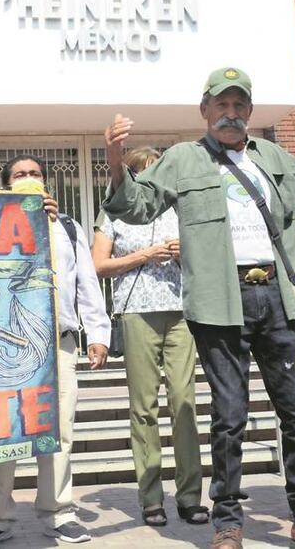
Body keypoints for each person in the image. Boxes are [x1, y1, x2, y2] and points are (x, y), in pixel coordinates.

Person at [101, 66, 295, 549]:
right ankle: (228, 525)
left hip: (274, 296)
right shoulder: (182, 159)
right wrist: (115, 162)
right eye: (222, 105)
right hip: (219, 302)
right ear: (205, 111)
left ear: (250, 113)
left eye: (240, 106)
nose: (231, 114)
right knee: (230, 415)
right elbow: (137, 206)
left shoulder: (272, 156)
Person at [0, 154, 112, 546]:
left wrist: (98, 332)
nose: (28, 179)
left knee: (59, 430)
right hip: (6, 346)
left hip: (58, 344)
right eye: (19, 175)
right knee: (4, 430)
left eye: (34, 174)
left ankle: (59, 511)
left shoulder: (67, 226)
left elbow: (86, 280)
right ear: (6, 186)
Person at [90, 146, 207, 527]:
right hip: (137, 311)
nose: (155, 178)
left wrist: (181, 252)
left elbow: (209, 256)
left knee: (184, 402)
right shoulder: (113, 210)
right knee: (144, 407)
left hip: (181, 311)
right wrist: (145, 255)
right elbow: (98, 265)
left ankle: (190, 496)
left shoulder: (179, 208)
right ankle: (151, 498)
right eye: (147, 172)